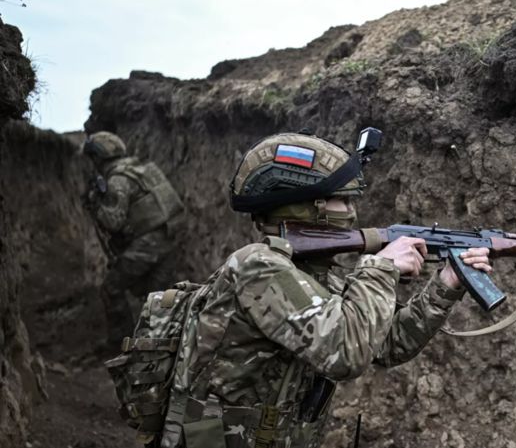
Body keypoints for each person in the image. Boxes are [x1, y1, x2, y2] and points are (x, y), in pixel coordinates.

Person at [160, 131, 492, 448]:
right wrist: (381, 267)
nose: (352, 212)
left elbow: (388, 344)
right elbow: (344, 353)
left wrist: (446, 284)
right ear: (306, 207)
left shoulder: (311, 275)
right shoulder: (256, 267)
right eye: (341, 201)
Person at [82, 131, 185, 350]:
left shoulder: (117, 179)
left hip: (149, 243)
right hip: (170, 236)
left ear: (98, 157)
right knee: (159, 298)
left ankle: (121, 344)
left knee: (111, 288)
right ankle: (169, 346)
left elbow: (113, 222)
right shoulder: (142, 168)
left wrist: (96, 204)